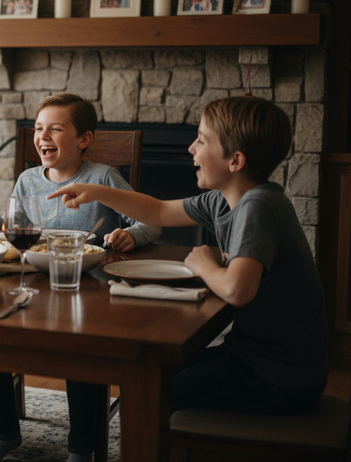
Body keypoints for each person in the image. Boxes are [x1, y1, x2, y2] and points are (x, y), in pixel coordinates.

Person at [51, 96, 328, 421]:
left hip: (279, 377)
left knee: (149, 392)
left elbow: (239, 289)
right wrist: (97, 191)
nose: (191, 148)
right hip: (253, 358)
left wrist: (203, 263)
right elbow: (157, 210)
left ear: (235, 161)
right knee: (148, 375)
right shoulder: (223, 200)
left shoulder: (258, 207)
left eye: (202, 140)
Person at [0, 93, 161, 462]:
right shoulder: (26, 180)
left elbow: (150, 218)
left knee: (79, 347)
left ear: (83, 139)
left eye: (55, 128)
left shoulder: (102, 177)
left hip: (88, 289)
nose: (43, 136)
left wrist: (131, 235)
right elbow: (13, 231)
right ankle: (5, 434)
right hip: (33, 285)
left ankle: (81, 449)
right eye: (38, 129)